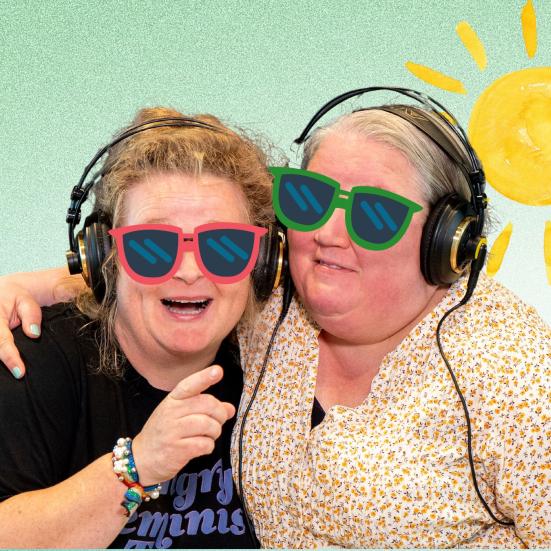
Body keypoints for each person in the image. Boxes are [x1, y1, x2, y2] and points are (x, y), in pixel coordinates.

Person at [1, 90, 550, 548]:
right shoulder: (276, 309)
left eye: (375, 214)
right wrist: (31, 285)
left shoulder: (517, 375)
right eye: (311, 201)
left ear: (446, 244)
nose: (329, 234)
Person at [0, 105, 278, 548]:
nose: (189, 271)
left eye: (224, 246)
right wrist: (137, 466)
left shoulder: (281, 361)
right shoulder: (32, 358)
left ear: (261, 264)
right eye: (152, 246)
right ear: (105, 259)